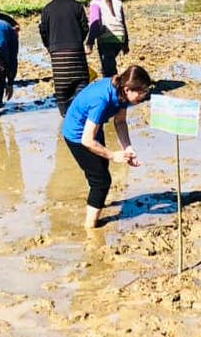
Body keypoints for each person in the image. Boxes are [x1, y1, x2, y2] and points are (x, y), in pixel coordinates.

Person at [62, 65, 152, 229]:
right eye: (141, 93)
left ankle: (95, 202)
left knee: (101, 167)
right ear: (127, 89)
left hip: (93, 129)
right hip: (76, 135)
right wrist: (113, 155)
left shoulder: (121, 93)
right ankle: (90, 227)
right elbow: (87, 141)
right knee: (102, 181)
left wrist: (127, 148)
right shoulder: (101, 101)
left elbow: (120, 121)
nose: (143, 97)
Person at [40, 0, 90, 116]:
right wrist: (78, 41)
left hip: (57, 53)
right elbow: (85, 28)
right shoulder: (77, 7)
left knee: (62, 87)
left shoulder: (47, 9)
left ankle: (64, 115)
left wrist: (49, 46)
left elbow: (43, 31)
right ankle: (81, 114)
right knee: (81, 82)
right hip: (76, 51)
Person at [83, 0, 129, 78]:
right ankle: (111, 84)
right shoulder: (117, 2)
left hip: (106, 38)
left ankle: (114, 89)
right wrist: (126, 43)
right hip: (120, 37)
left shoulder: (95, 3)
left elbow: (95, 24)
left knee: (109, 70)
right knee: (108, 65)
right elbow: (123, 23)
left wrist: (89, 43)